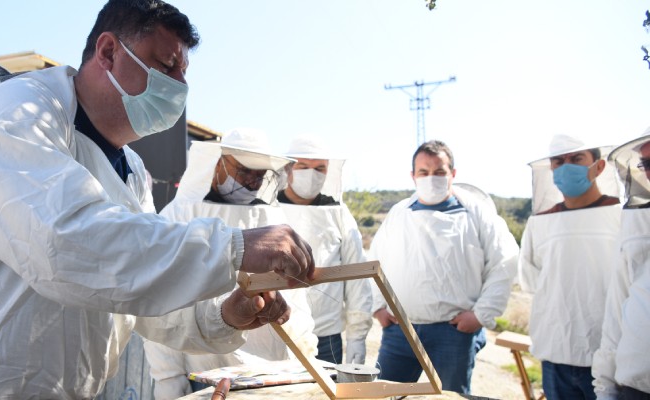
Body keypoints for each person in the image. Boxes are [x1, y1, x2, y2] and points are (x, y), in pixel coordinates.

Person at [0, 1, 314, 398]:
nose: (179, 86)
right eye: (166, 66)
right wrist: (233, 247)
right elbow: (67, 245)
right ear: (109, 52)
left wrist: (225, 316)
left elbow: (133, 285)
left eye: (184, 73)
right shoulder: (13, 113)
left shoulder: (130, 167)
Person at [141, 128, 319, 399]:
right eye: (244, 171)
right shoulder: (180, 215)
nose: (251, 182)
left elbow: (298, 300)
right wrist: (169, 382)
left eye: (260, 175)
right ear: (218, 162)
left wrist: (306, 360)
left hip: (271, 377)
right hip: (205, 379)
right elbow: (157, 305)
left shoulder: (274, 216)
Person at [368, 140, 518, 394]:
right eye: (423, 172)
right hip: (399, 331)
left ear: (453, 174)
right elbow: (375, 262)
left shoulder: (477, 214)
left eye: (439, 172)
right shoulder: (398, 213)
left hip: (452, 333)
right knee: (385, 394)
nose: (431, 178)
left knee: (449, 397)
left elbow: (504, 262)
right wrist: (377, 307)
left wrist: (481, 314)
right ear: (413, 176)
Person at [519, 134, 623, 399]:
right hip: (556, 352)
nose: (566, 167)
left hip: (611, 355)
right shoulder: (540, 223)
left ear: (598, 167)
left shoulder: (622, 216)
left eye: (576, 159)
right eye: (558, 161)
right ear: (551, 169)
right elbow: (531, 281)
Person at [278, 136, 373, 365]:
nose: (312, 173)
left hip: (326, 338)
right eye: (303, 167)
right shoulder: (269, 208)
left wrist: (357, 338)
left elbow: (357, 277)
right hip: (277, 334)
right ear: (288, 168)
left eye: (320, 168)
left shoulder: (338, 212)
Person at [592, 131, 650, 399]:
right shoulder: (639, 226)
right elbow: (618, 312)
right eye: (647, 165)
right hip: (635, 389)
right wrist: (604, 385)